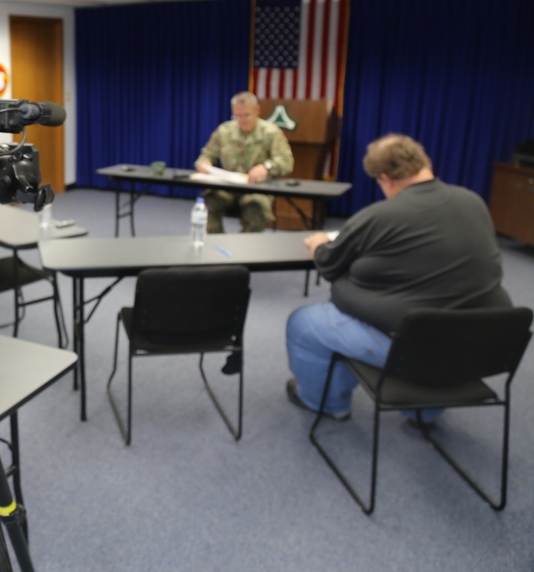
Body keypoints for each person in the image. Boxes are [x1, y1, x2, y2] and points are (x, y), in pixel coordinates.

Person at [285, 134, 511, 423]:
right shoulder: (474, 201)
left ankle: (328, 404)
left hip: (417, 348)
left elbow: (329, 264)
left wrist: (318, 244)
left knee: (305, 324)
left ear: (385, 179)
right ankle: (424, 411)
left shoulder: (379, 216)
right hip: (484, 345)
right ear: (424, 163)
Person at [194, 91, 294, 233]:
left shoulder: (271, 132)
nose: (242, 120)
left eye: (247, 115)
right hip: (227, 188)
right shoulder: (224, 131)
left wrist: (266, 167)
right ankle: (216, 247)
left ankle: (243, 251)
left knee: (257, 209)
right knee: (207, 202)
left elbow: (286, 160)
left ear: (257, 111)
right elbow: (207, 155)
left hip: (257, 190)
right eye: (237, 116)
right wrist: (204, 164)